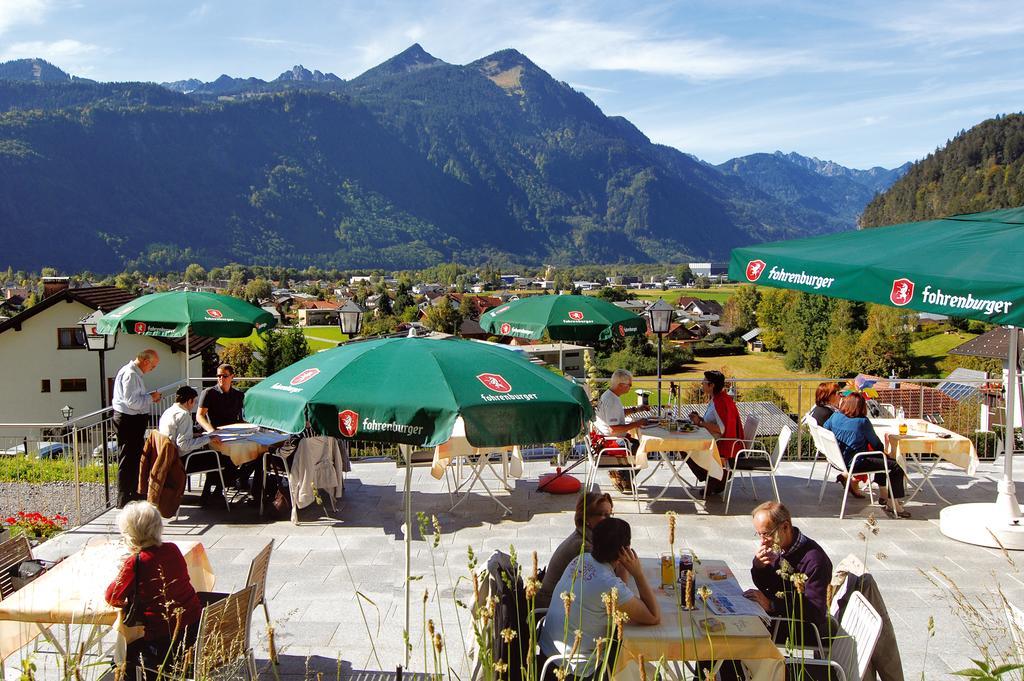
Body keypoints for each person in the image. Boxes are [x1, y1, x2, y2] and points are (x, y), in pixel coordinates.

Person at [539, 517, 659, 680]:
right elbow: (653, 616)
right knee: (651, 674)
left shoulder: (580, 559)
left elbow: (617, 595)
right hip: (577, 670)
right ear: (625, 550)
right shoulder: (608, 584)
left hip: (547, 657)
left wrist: (622, 566)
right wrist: (638, 574)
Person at [105, 501, 202, 680]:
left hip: (164, 644)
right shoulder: (172, 549)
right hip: (194, 632)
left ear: (131, 535)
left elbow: (112, 596)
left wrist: (125, 568)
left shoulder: (136, 562)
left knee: (118, 662)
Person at [744, 502, 833, 651]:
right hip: (777, 616)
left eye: (766, 534)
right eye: (759, 534)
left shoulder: (815, 561)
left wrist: (771, 605)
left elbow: (815, 612)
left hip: (797, 627)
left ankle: (738, 673)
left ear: (785, 527)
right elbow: (767, 585)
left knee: (733, 636)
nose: (762, 541)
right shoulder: (781, 547)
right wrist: (759, 566)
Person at [823, 392, 909, 518]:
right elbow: (877, 445)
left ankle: (884, 495)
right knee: (895, 467)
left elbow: (825, 428)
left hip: (840, 459)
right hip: (856, 463)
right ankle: (892, 503)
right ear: (861, 407)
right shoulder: (862, 422)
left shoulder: (835, 416)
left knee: (883, 459)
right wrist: (885, 448)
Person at [536, 492, 621, 610]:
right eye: (602, 515)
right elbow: (612, 587)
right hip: (551, 607)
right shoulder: (583, 547)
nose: (608, 521)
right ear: (586, 517)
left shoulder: (586, 536)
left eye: (609, 515)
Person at [112, 349, 162, 508]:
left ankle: (131, 493)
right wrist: (150, 398)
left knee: (133, 459)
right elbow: (132, 402)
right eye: (153, 366)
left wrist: (148, 397)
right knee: (128, 459)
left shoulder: (132, 373)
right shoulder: (131, 374)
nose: (152, 370)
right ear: (146, 361)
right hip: (129, 420)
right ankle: (125, 497)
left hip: (131, 420)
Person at [159, 386, 225, 506]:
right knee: (218, 458)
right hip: (181, 461)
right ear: (189, 401)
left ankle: (209, 495)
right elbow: (183, 445)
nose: (193, 405)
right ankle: (209, 495)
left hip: (168, 459)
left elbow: (176, 435)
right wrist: (208, 438)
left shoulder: (168, 411)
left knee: (211, 456)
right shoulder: (184, 415)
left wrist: (195, 435)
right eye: (194, 401)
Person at [687, 370, 743, 496]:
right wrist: (700, 419)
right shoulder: (719, 398)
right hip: (716, 439)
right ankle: (713, 479)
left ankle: (715, 479)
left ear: (711, 385)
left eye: (704, 381)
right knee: (685, 447)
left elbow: (721, 429)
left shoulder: (720, 402)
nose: (702, 383)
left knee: (684, 448)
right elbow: (716, 422)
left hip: (720, 443)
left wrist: (700, 423)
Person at [196, 363, 244, 502]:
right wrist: (211, 431)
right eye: (218, 376)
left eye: (224, 376)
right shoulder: (209, 393)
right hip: (213, 436)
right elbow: (199, 416)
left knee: (254, 455)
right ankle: (219, 488)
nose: (221, 378)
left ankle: (227, 484)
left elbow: (242, 418)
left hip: (232, 435)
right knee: (226, 458)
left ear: (232, 377)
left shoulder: (238, 395)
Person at [809, 382, 865, 499]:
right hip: (839, 454)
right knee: (864, 447)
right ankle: (853, 479)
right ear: (830, 396)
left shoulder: (819, 410)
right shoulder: (829, 413)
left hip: (831, 451)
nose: (840, 395)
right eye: (838, 393)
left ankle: (849, 476)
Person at [594, 369, 642, 493]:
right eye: (629, 385)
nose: (630, 388)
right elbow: (614, 428)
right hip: (610, 441)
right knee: (641, 448)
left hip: (604, 438)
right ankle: (621, 476)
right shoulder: (612, 401)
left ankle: (623, 478)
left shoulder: (608, 395)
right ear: (621, 385)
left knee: (637, 444)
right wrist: (637, 423)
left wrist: (636, 410)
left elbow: (617, 414)